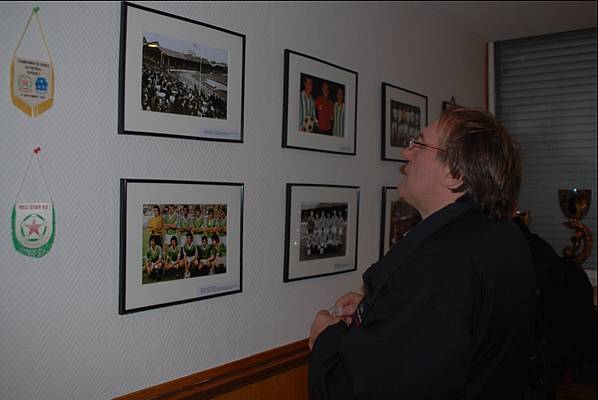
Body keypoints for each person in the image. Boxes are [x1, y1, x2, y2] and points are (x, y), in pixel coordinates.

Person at [308, 107, 536, 399]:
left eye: (420, 143)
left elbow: (371, 388)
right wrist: (378, 309)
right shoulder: (502, 234)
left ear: (454, 174)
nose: (407, 152)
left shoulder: (438, 263)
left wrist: (326, 339)